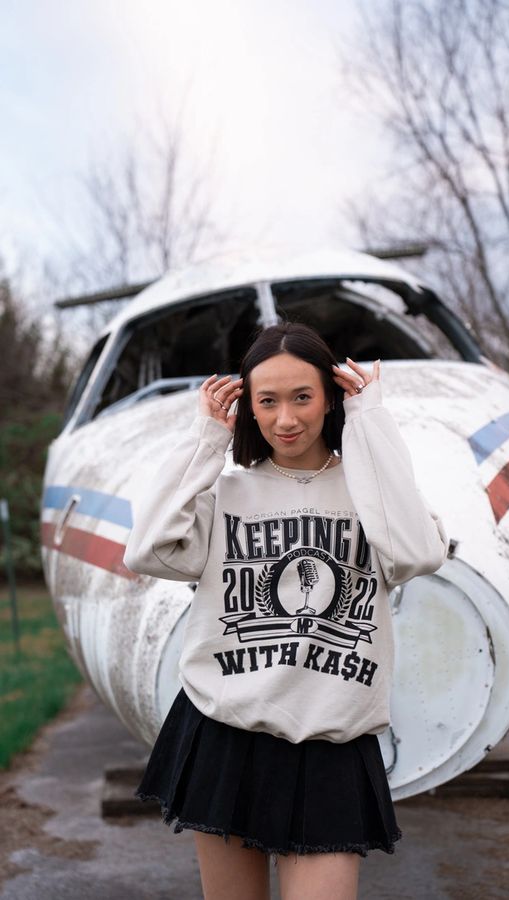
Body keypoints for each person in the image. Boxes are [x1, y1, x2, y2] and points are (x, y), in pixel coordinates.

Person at [124, 322, 448, 900]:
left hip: (331, 743)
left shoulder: (371, 496)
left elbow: (418, 552)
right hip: (227, 733)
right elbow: (145, 547)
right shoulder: (229, 494)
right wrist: (204, 439)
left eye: (302, 397)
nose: (286, 419)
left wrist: (372, 421)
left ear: (331, 397)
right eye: (267, 401)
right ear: (247, 408)